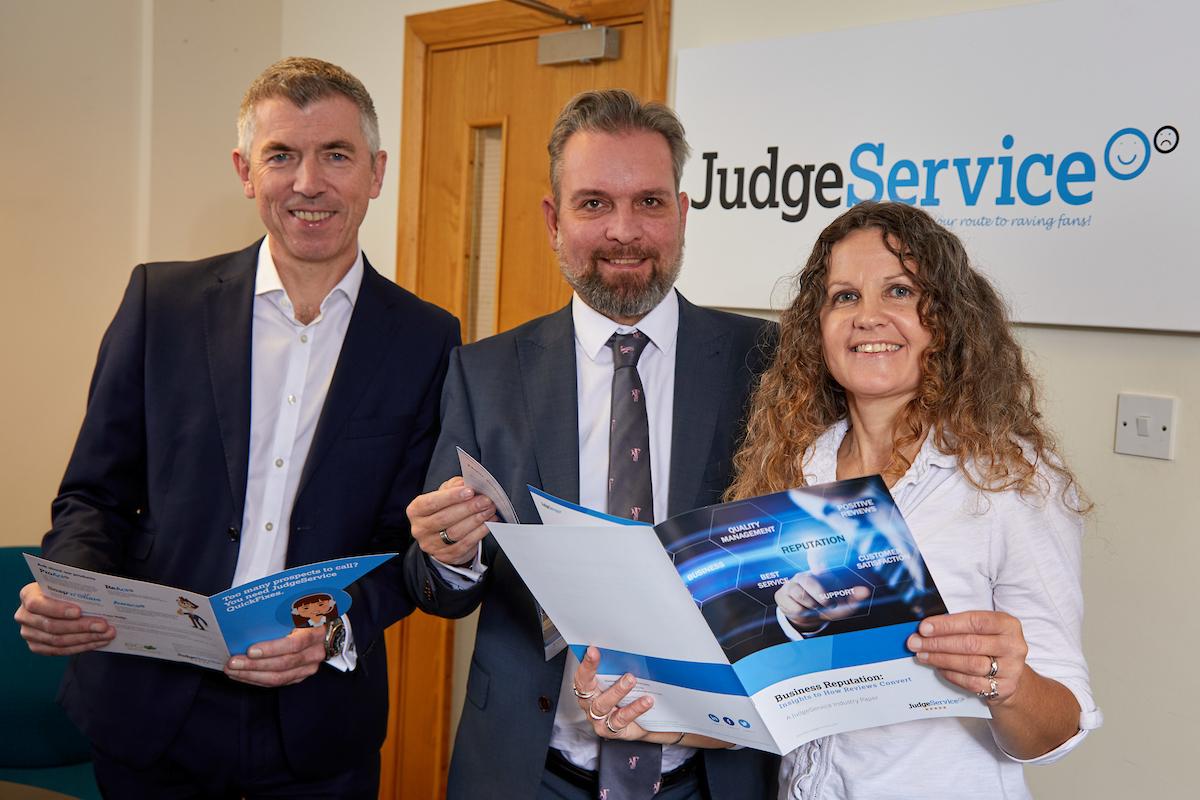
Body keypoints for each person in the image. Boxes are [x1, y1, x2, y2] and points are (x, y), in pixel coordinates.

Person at [13, 57, 458, 797]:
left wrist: (330, 629)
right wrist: (76, 589)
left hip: (318, 724)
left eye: (336, 155)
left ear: (376, 172)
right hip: (149, 709)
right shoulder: (162, 303)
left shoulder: (427, 338)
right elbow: (93, 495)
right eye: (281, 155)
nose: (308, 183)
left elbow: (401, 546)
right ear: (245, 171)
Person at [576, 201, 1102, 799]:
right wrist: (656, 719)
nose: (868, 317)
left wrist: (1008, 684)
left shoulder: (1011, 480)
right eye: (844, 297)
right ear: (816, 326)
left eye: (899, 292)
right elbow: (772, 711)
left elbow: (1061, 726)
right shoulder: (796, 467)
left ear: (948, 320)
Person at [404, 89, 779, 799]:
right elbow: (435, 591)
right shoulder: (484, 373)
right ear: (553, 220)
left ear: (683, 214)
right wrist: (447, 556)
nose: (625, 232)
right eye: (594, 204)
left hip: (713, 774)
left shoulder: (765, 362)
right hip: (528, 769)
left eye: (649, 202)